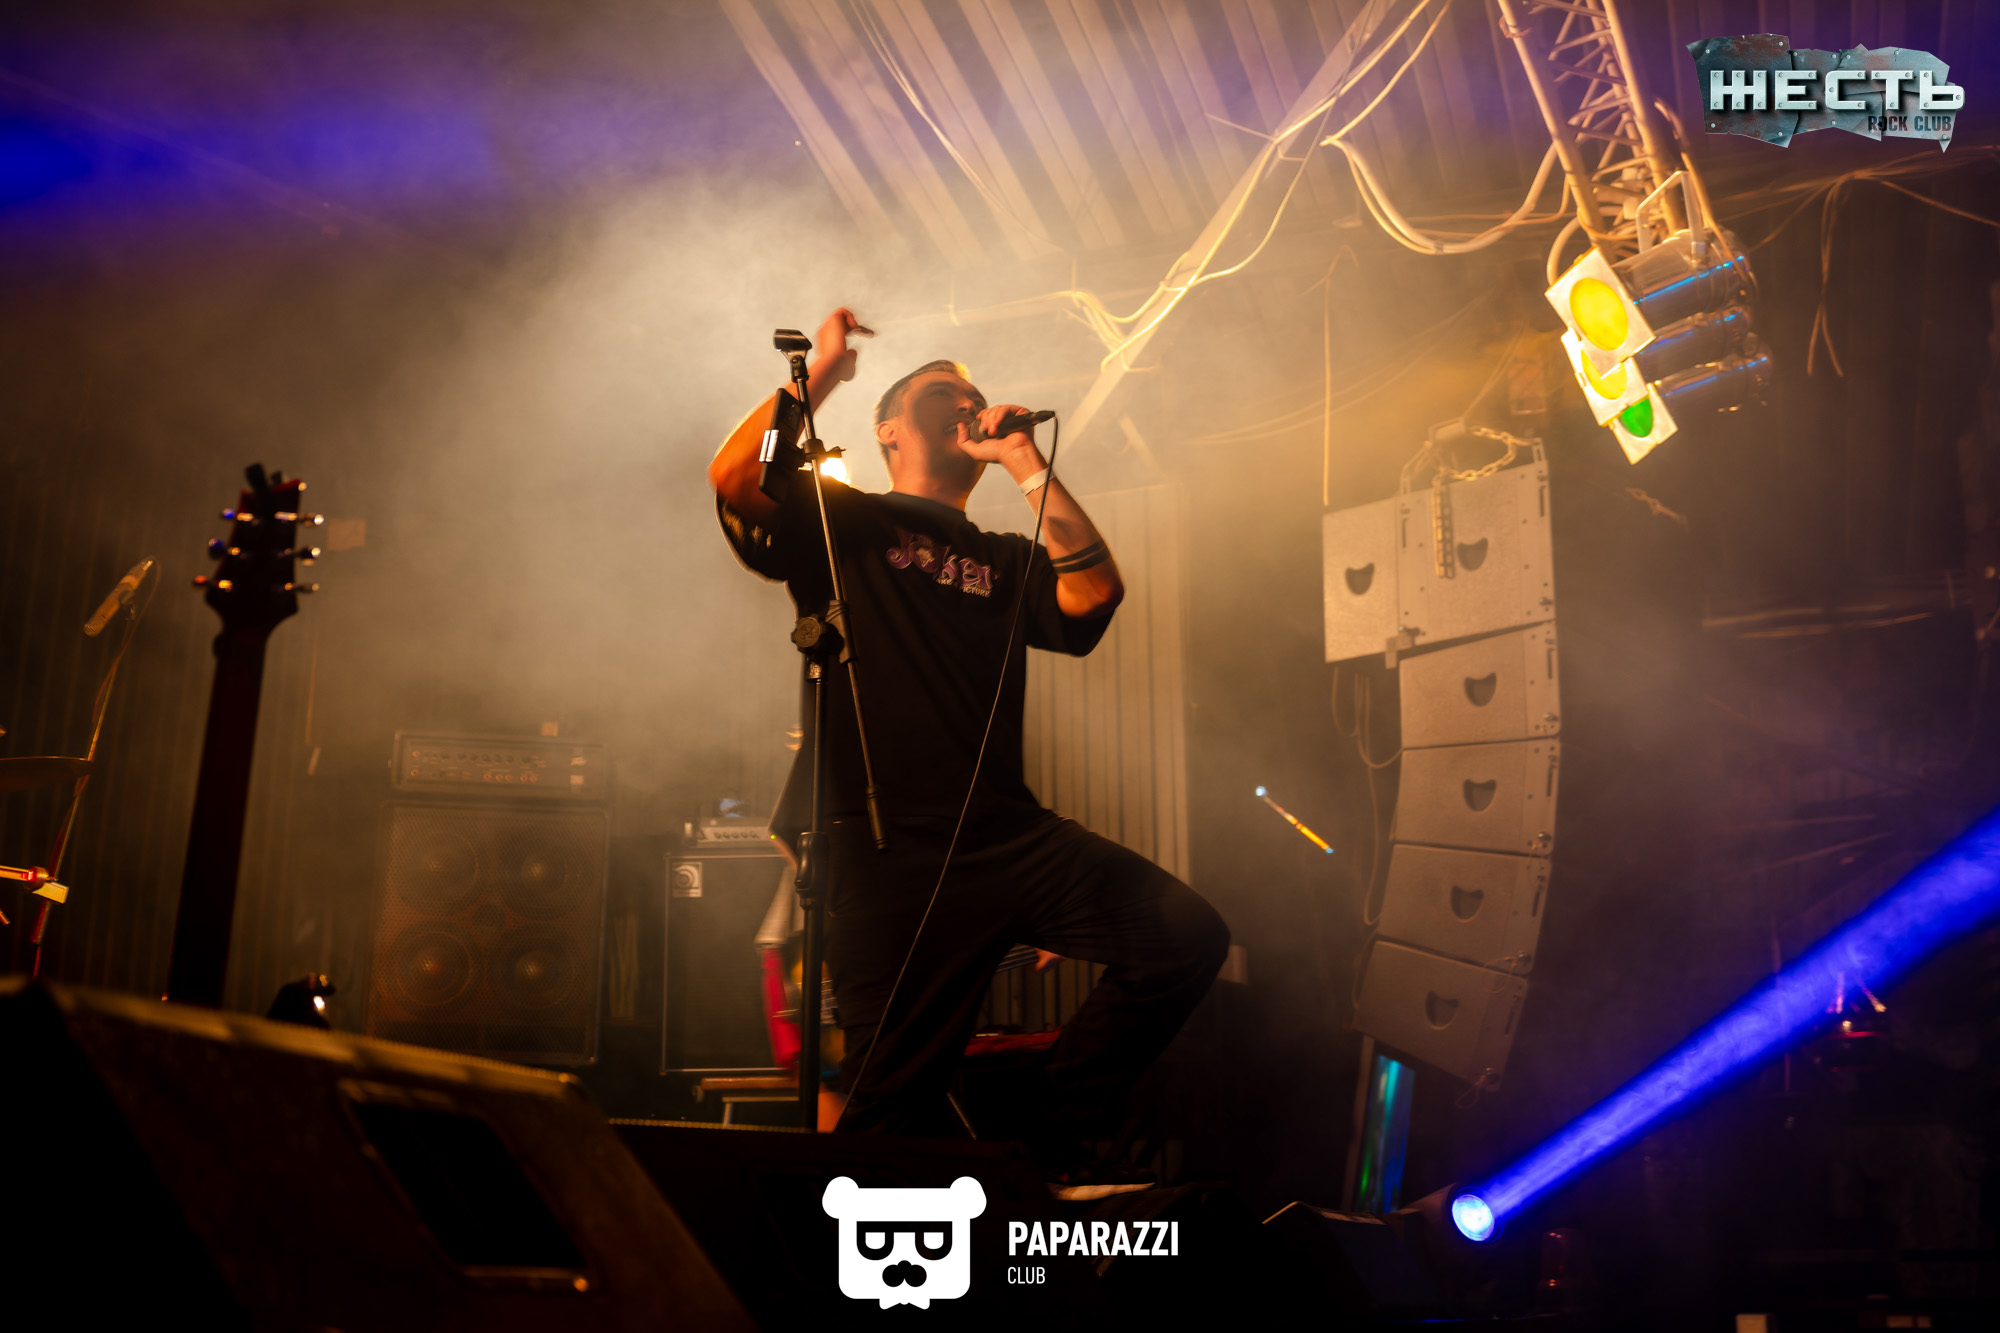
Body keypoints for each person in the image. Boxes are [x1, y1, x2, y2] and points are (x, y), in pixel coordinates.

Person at [708, 307, 1227, 1192]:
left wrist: (1023, 459)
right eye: (943, 391)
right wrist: (821, 374)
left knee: (1186, 935)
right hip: (889, 850)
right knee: (890, 1114)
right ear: (887, 430)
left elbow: (1095, 590)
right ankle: (846, 1263)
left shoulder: (1005, 557)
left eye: (974, 393)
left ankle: (1050, 1125)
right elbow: (735, 478)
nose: (967, 401)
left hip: (1003, 834)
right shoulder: (845, 521)